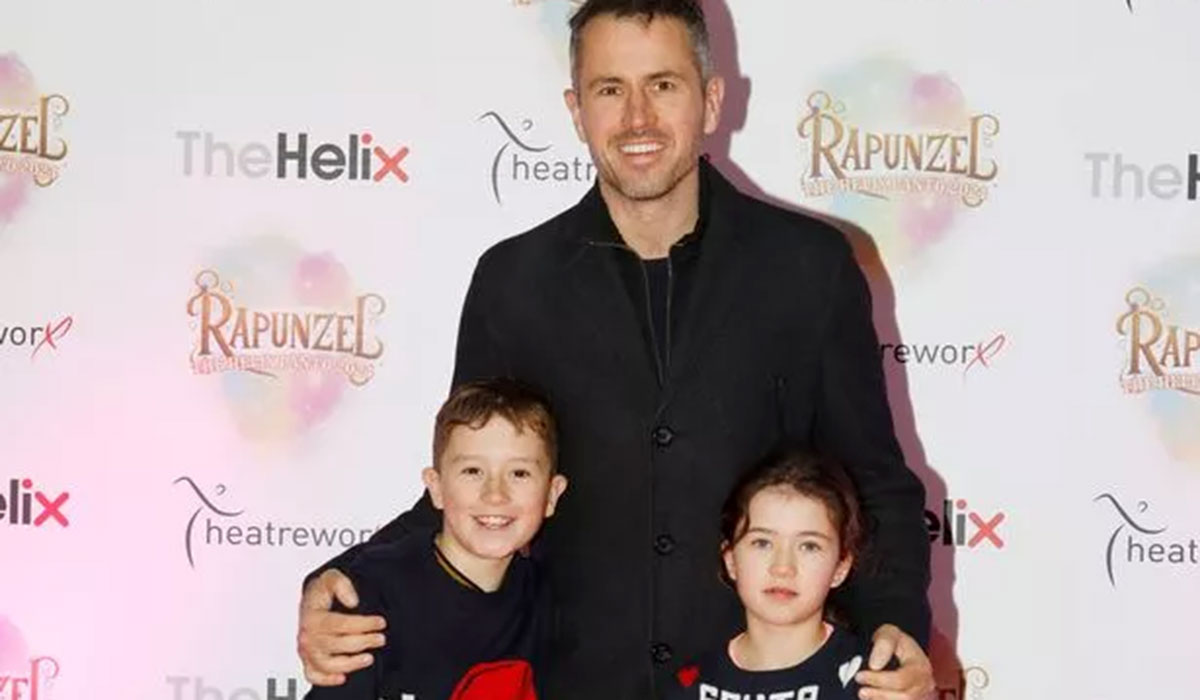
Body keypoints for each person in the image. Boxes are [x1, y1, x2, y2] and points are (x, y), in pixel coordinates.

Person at [298, 2, 935, 699]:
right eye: (610, 89)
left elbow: (873, 480)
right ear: (576, 109)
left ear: (711, 99)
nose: (637, 118)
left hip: (764, 682)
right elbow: (473, 485)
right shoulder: (515, 282)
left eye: (662, 85)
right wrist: (346, 583)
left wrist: (896, 624)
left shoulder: (810, 267)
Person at [304, 379, 568, 700]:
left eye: (519, 473)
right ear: (436, 488)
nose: (495, 494)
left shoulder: (545, 599)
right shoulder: (372, 592)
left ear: (552, 495)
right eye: (472, 471)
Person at [665, 449, 875, 700]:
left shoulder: (873, 682)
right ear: (730, 559)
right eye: (762, 543)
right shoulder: (691, 684)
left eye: (809, 546)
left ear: (841, 567)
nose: (783, 567)